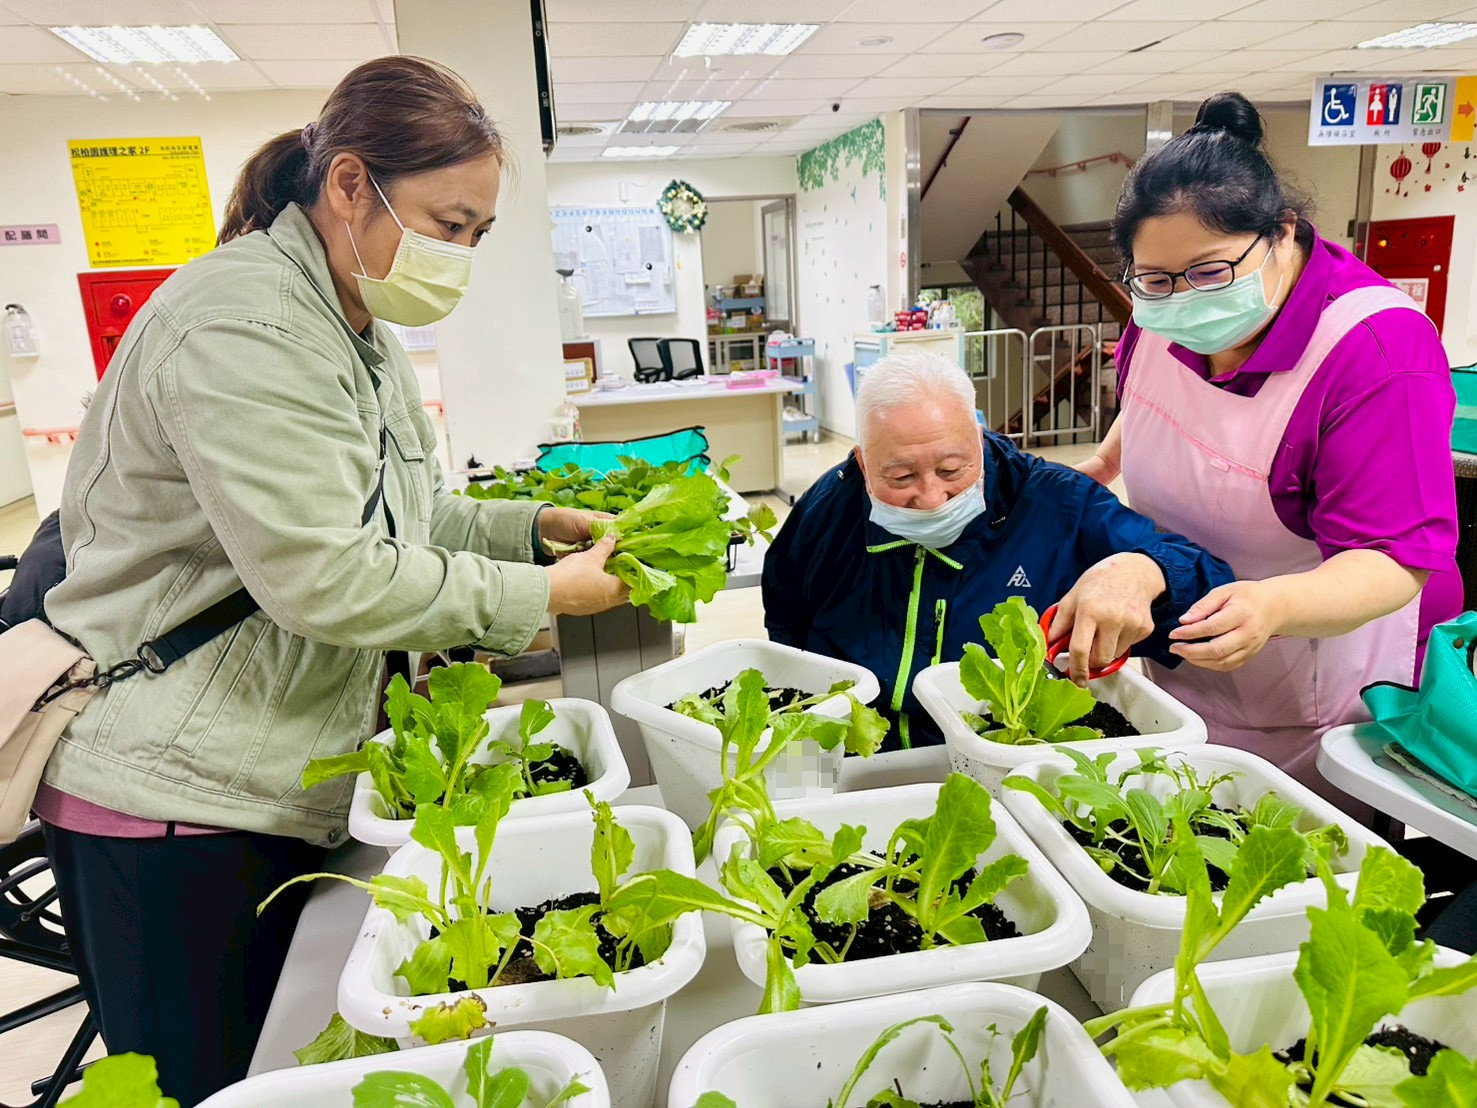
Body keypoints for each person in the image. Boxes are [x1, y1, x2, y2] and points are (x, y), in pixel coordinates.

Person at [34, 57, 628, 1105]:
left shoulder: (357, 327)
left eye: (478, 235)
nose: (461, 255)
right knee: (203, 1088)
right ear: (350, 184)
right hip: (176, 800)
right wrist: (542, 598)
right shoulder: (245, 324)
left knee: (277, 1067)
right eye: (449, 224)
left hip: (273, 780)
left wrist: (530, 527)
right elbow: (329, 577)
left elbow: (414, 516)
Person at [1077, 92, 1461, 808]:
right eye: (1154, 280)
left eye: (1210, 272)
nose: (1181, 299)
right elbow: (1153, 394)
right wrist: (1104, 463)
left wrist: (1273, 606)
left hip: (1317, 674)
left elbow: (1398, 558)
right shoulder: (1164, 310)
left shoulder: (1374, 349)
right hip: (1192, 640)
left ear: (1282, 232)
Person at [762, 352, 1234, 749]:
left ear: (980, 439)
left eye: (952, 470)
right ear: (862, 461)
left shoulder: (1055, 505)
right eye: (900, 477)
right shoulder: (831, 507)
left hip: (1003, 761)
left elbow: (1212, 593)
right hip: (849, 756)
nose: (930, 498)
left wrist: (1145, 571)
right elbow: (787, 621)